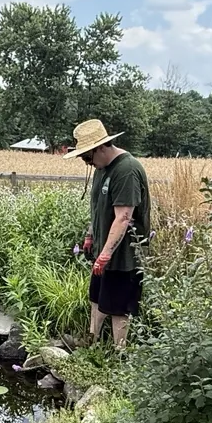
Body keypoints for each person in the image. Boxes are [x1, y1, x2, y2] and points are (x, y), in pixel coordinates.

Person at [64, 118, 151, 348]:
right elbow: (99, 209)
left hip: (124, 256)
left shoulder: (126, 170)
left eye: (87, 157)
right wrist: (91, 235)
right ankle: (92, 342)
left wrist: (106, 255)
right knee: (97, 298)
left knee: (119, 307)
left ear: (101, 147)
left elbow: (123, 217)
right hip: (104, 250)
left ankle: (117, 353)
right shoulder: (101, 169)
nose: (87, 162)